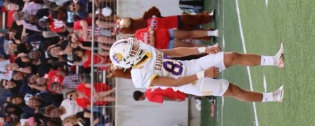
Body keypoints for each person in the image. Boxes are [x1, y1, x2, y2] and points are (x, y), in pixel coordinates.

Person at [109, 38, 285, 102]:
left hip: (190, 66)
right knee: (234, 90)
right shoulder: (140, 75)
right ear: (128, 59)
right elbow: (176, 83)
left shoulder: (145, 50)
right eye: (132, 49)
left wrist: (203, 49)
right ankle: (273, 97)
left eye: (133, 45)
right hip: (191, 83)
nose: (136, 46)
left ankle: (275, 60)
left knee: (232, 56)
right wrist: (203, 74)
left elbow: (174, 52)